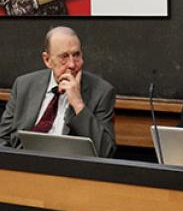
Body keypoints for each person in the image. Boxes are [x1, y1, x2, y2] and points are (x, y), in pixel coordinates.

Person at [0, 26, 116, 158]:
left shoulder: (102, 92)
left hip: (71, 172)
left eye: (76, 55)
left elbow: (106, 152)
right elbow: (3, 139)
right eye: (64, 57)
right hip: (24, 168)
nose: (72, 64)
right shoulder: (24, 85)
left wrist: (78, 104)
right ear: (47, 60)